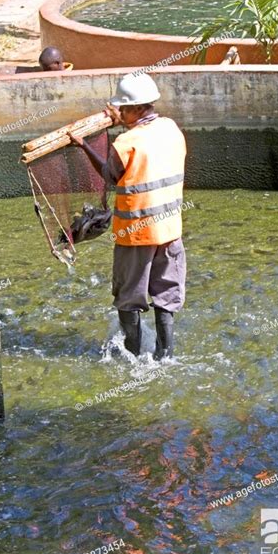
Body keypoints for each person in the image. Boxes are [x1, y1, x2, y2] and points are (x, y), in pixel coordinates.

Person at [68, 73, 187, 361]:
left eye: (121, 108)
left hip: (135, 234)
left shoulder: (126, 142)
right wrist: (120, 119)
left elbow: (110, 175)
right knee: (167, 297)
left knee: (128, 299)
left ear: (134, 109)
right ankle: (165, 356)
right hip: (170, 231)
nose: (117, 112)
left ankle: (133, 356)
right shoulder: (171, 129)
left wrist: (83, 145)